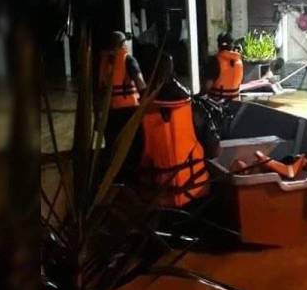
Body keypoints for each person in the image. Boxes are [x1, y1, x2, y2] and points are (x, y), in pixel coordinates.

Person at [140, 54, 211, 209]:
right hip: (196, 193)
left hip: (159, 201)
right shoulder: (195, 109)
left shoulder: (138, 117)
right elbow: (214, 149)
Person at [98, 31, 146, 173]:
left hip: (110, 113)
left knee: (113, 148)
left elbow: (100, 91)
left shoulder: (104, 62)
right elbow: (141, 85)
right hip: (129, 112)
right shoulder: (129, 60)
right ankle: (132, 176)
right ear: (123, 44)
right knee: (133, 147)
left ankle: (115, 177)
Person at [202, 32, 243, 101]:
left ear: (218, 45)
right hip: (236, 103)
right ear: (232, 45)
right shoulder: (239, 61)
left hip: (218, 104)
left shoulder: (215, 61)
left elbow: (207, 86)